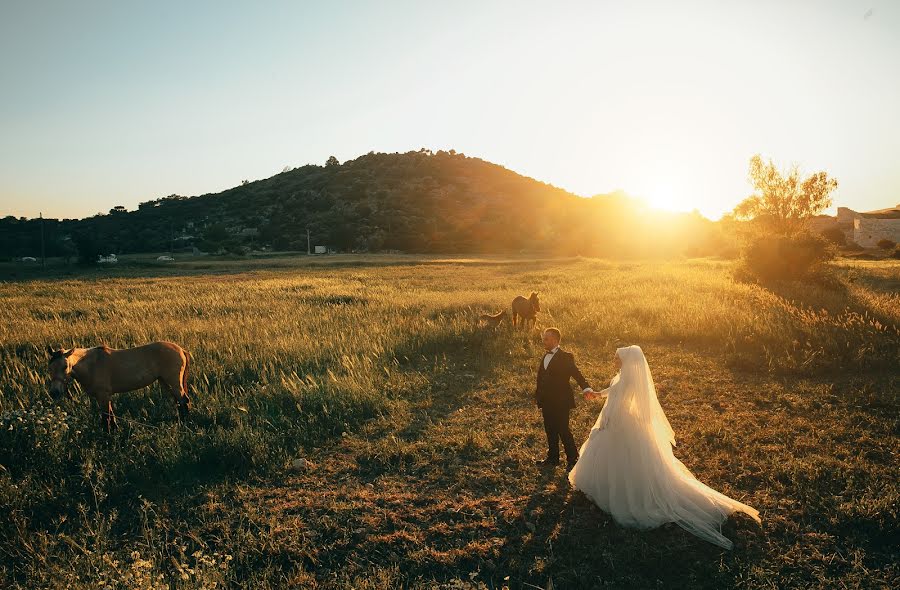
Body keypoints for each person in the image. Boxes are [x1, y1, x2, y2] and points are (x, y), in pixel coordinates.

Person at [568, 345, 761, 549]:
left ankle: (622, 493)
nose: (614, 360)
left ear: (625, 360)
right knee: (610, 455)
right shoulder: (624, 375)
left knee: (623, 459)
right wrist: (599, 393)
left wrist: (607, 421)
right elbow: (615, 390)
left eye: (617, 358)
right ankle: (603, 487)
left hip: (619, 422)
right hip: (618, 420)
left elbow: (619, 401)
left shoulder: (629, 379)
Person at [534, 327, 595, 472]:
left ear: (555, 340)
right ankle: (553, 458)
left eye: (547, 338)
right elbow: (541, 378)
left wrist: (586, 387)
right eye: (544, 338)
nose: (544, 341)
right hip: (547, 400)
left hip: (561, 400)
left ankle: (572, 458)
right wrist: (538, 396)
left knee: (563, 429)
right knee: (550, 429)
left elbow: (576, 373)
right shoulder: (545, 356)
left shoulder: (565, 357)